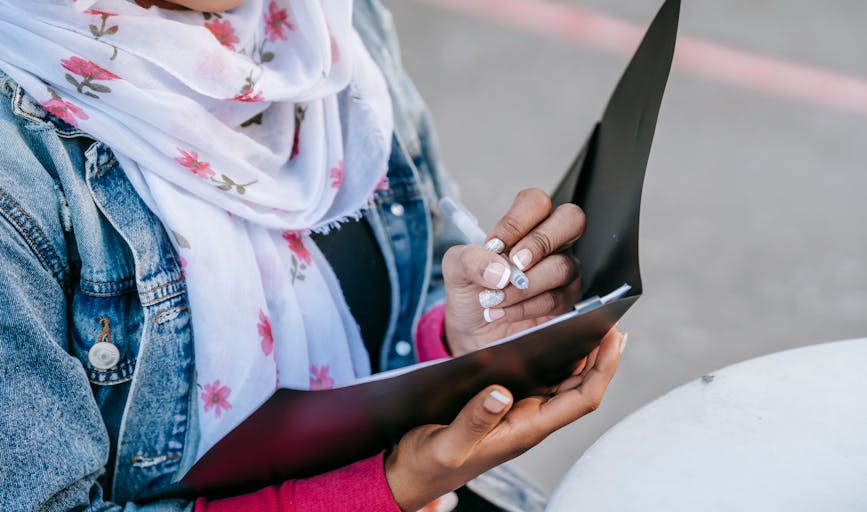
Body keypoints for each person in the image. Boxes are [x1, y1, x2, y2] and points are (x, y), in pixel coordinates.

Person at [0, 0, 626, 511]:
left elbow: (411, 287)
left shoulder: (322, 24)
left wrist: (467, 343)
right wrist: (391, 486)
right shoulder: (17, 165)